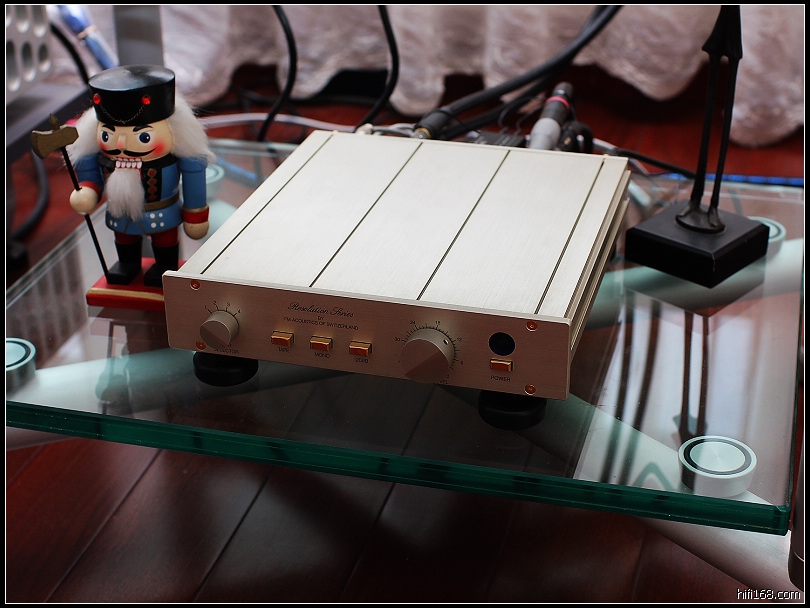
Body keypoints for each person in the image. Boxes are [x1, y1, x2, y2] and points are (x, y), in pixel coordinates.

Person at [67, 64, 215, 287]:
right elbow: (90, 179)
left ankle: (165, 267)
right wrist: (86, 193)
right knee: (124, 238)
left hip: (162, 212)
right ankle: (128, 264)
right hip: (121, 212)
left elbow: (194, 175)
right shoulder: (98, 157)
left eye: (143, 137)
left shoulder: (180, 157)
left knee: (164, 241)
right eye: (107, 136)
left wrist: (196, 214)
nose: (120, 144)